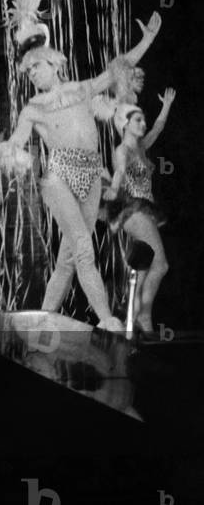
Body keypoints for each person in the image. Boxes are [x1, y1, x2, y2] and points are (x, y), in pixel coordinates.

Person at [0, 0, 162, 331]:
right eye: (28, 71)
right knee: (83, 248)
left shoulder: (81, 89)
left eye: (36, 68)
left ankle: (44, 318)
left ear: (52, 63)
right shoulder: (33, 108)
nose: (32, 74)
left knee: (67, 260)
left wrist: (148, 41)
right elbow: (10, 149)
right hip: (59, 177)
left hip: (92, 174)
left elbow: (118, 69)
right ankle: (107, 319)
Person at [104, 92, 175, 334]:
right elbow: (120, 172)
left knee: (144, 270)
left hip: (144, 210)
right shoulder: (122, 150)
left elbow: (158, 127)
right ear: (124, 124)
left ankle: (131, 321)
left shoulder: (142, 146)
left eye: (143, 120)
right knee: (161, 265)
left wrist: (166, 106)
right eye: (138, 121)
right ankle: (143, 316)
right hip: (133, 210)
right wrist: (113, 188)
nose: (143, 124)